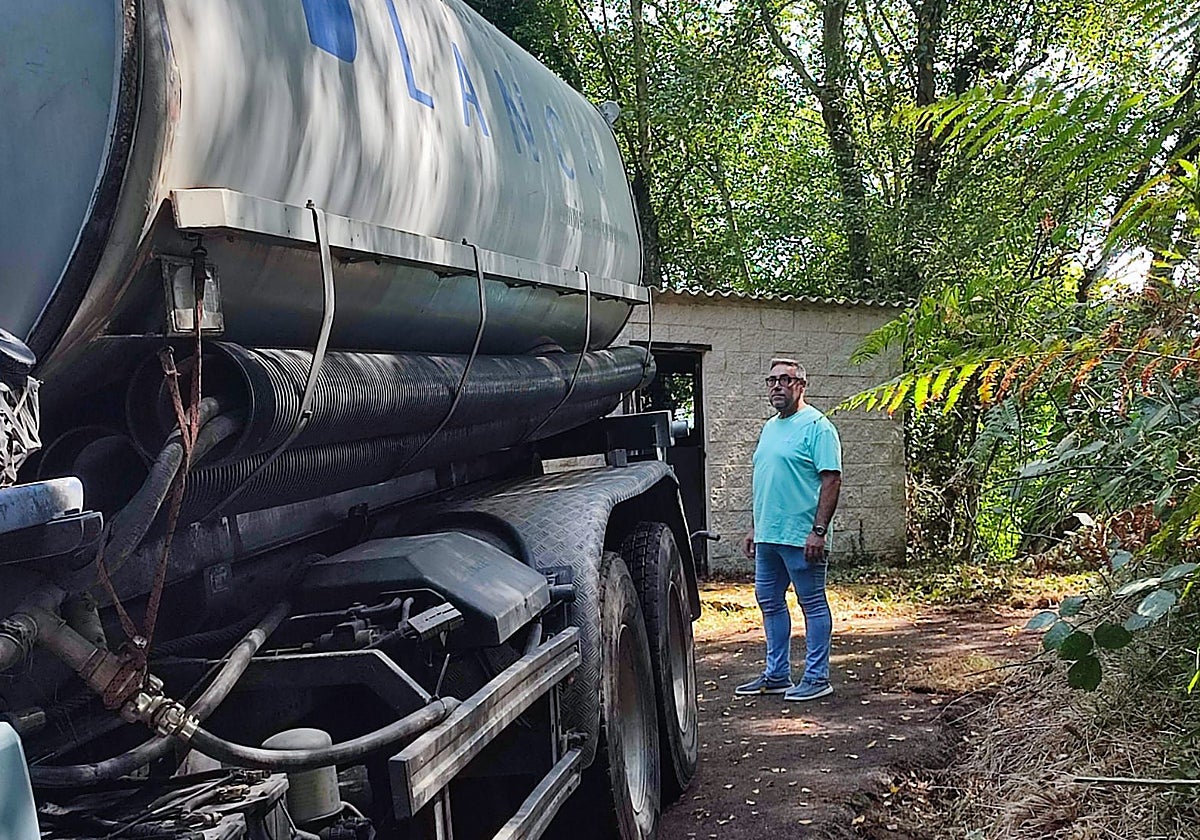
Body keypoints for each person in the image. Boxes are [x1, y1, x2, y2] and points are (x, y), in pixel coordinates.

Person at [735, 358, 842, 702]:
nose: (777, 386)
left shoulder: (818, 427)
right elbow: (767, 480)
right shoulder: (769, 427)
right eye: (772, 380)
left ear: (801, 386)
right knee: (768, 600)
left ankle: (817, 677)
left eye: (785, 379)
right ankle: (777, 674)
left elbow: (832, 479)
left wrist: (819, 531)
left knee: (812, 603)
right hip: (768, 536)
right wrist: (754, 527)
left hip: (801, 536)